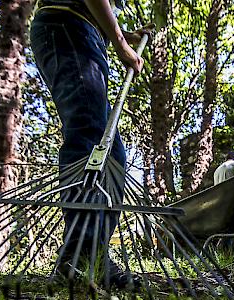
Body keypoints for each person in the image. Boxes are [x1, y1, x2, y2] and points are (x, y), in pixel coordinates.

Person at [30, 0, 152, 279]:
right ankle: (81, 255)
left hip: (83, 32)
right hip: (66, 26)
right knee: (89, 135)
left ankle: (93, 253)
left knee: (113, 154)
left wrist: (122, 35)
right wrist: (121, 44)